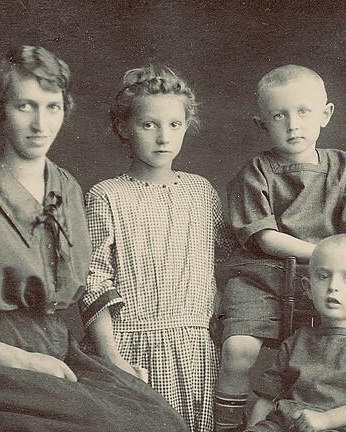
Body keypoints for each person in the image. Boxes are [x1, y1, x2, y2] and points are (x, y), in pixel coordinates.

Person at [0, 46, 188, 432]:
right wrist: (24, 361)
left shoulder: (66, 187)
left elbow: (79, 286)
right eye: (25, 106)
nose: (41, 123)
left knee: (161, 419)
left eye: (52, 106)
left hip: (57, 348)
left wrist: (107, 358)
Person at [214, 65, 346, 431]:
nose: (293, 124)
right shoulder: (256, 171)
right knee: (239, 349)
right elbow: (265, 238)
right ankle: (228, 423)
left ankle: (335, 414)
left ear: (325, 115)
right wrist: (323, 251)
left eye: (303, 112)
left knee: (343, 344)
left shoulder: (343, 166)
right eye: (279, 115)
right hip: (263, 278)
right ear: (261, 123)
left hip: (321, 279)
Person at [81, 65, 234, 432]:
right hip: (130, 347)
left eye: (174, 125)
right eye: (149, 125)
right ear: (123, 128)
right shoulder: (106, 196)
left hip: (196, 351)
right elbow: (93, 279)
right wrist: (111, 356)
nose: (163, 137)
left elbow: (225, 265)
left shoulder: (201, 192)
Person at [246, 234, 346, 432]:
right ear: (308, 288)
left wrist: (327, 420)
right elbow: (267, 399)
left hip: (342, 426)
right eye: (323, 276)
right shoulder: (297, 340)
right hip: (285, 425)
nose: (333, 287)